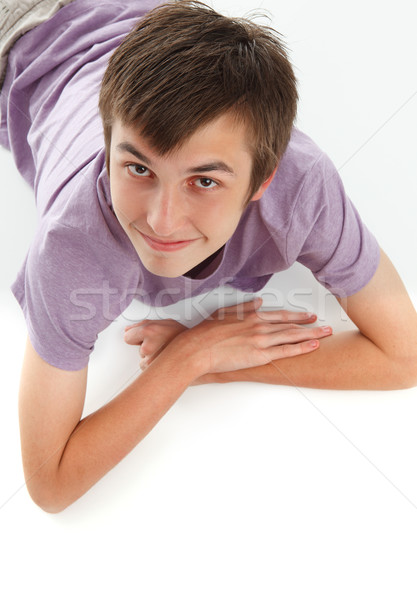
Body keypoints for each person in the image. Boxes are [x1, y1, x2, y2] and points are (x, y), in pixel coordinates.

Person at [1, 0, 416, 513]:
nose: (162, 220)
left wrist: (219, 361)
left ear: (263, 181)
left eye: (204, 181)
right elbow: (50, 483)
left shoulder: (301, 186)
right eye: (137, 169)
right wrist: (189, 358)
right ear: (108, 149)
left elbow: (405, 355)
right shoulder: (73, 244)